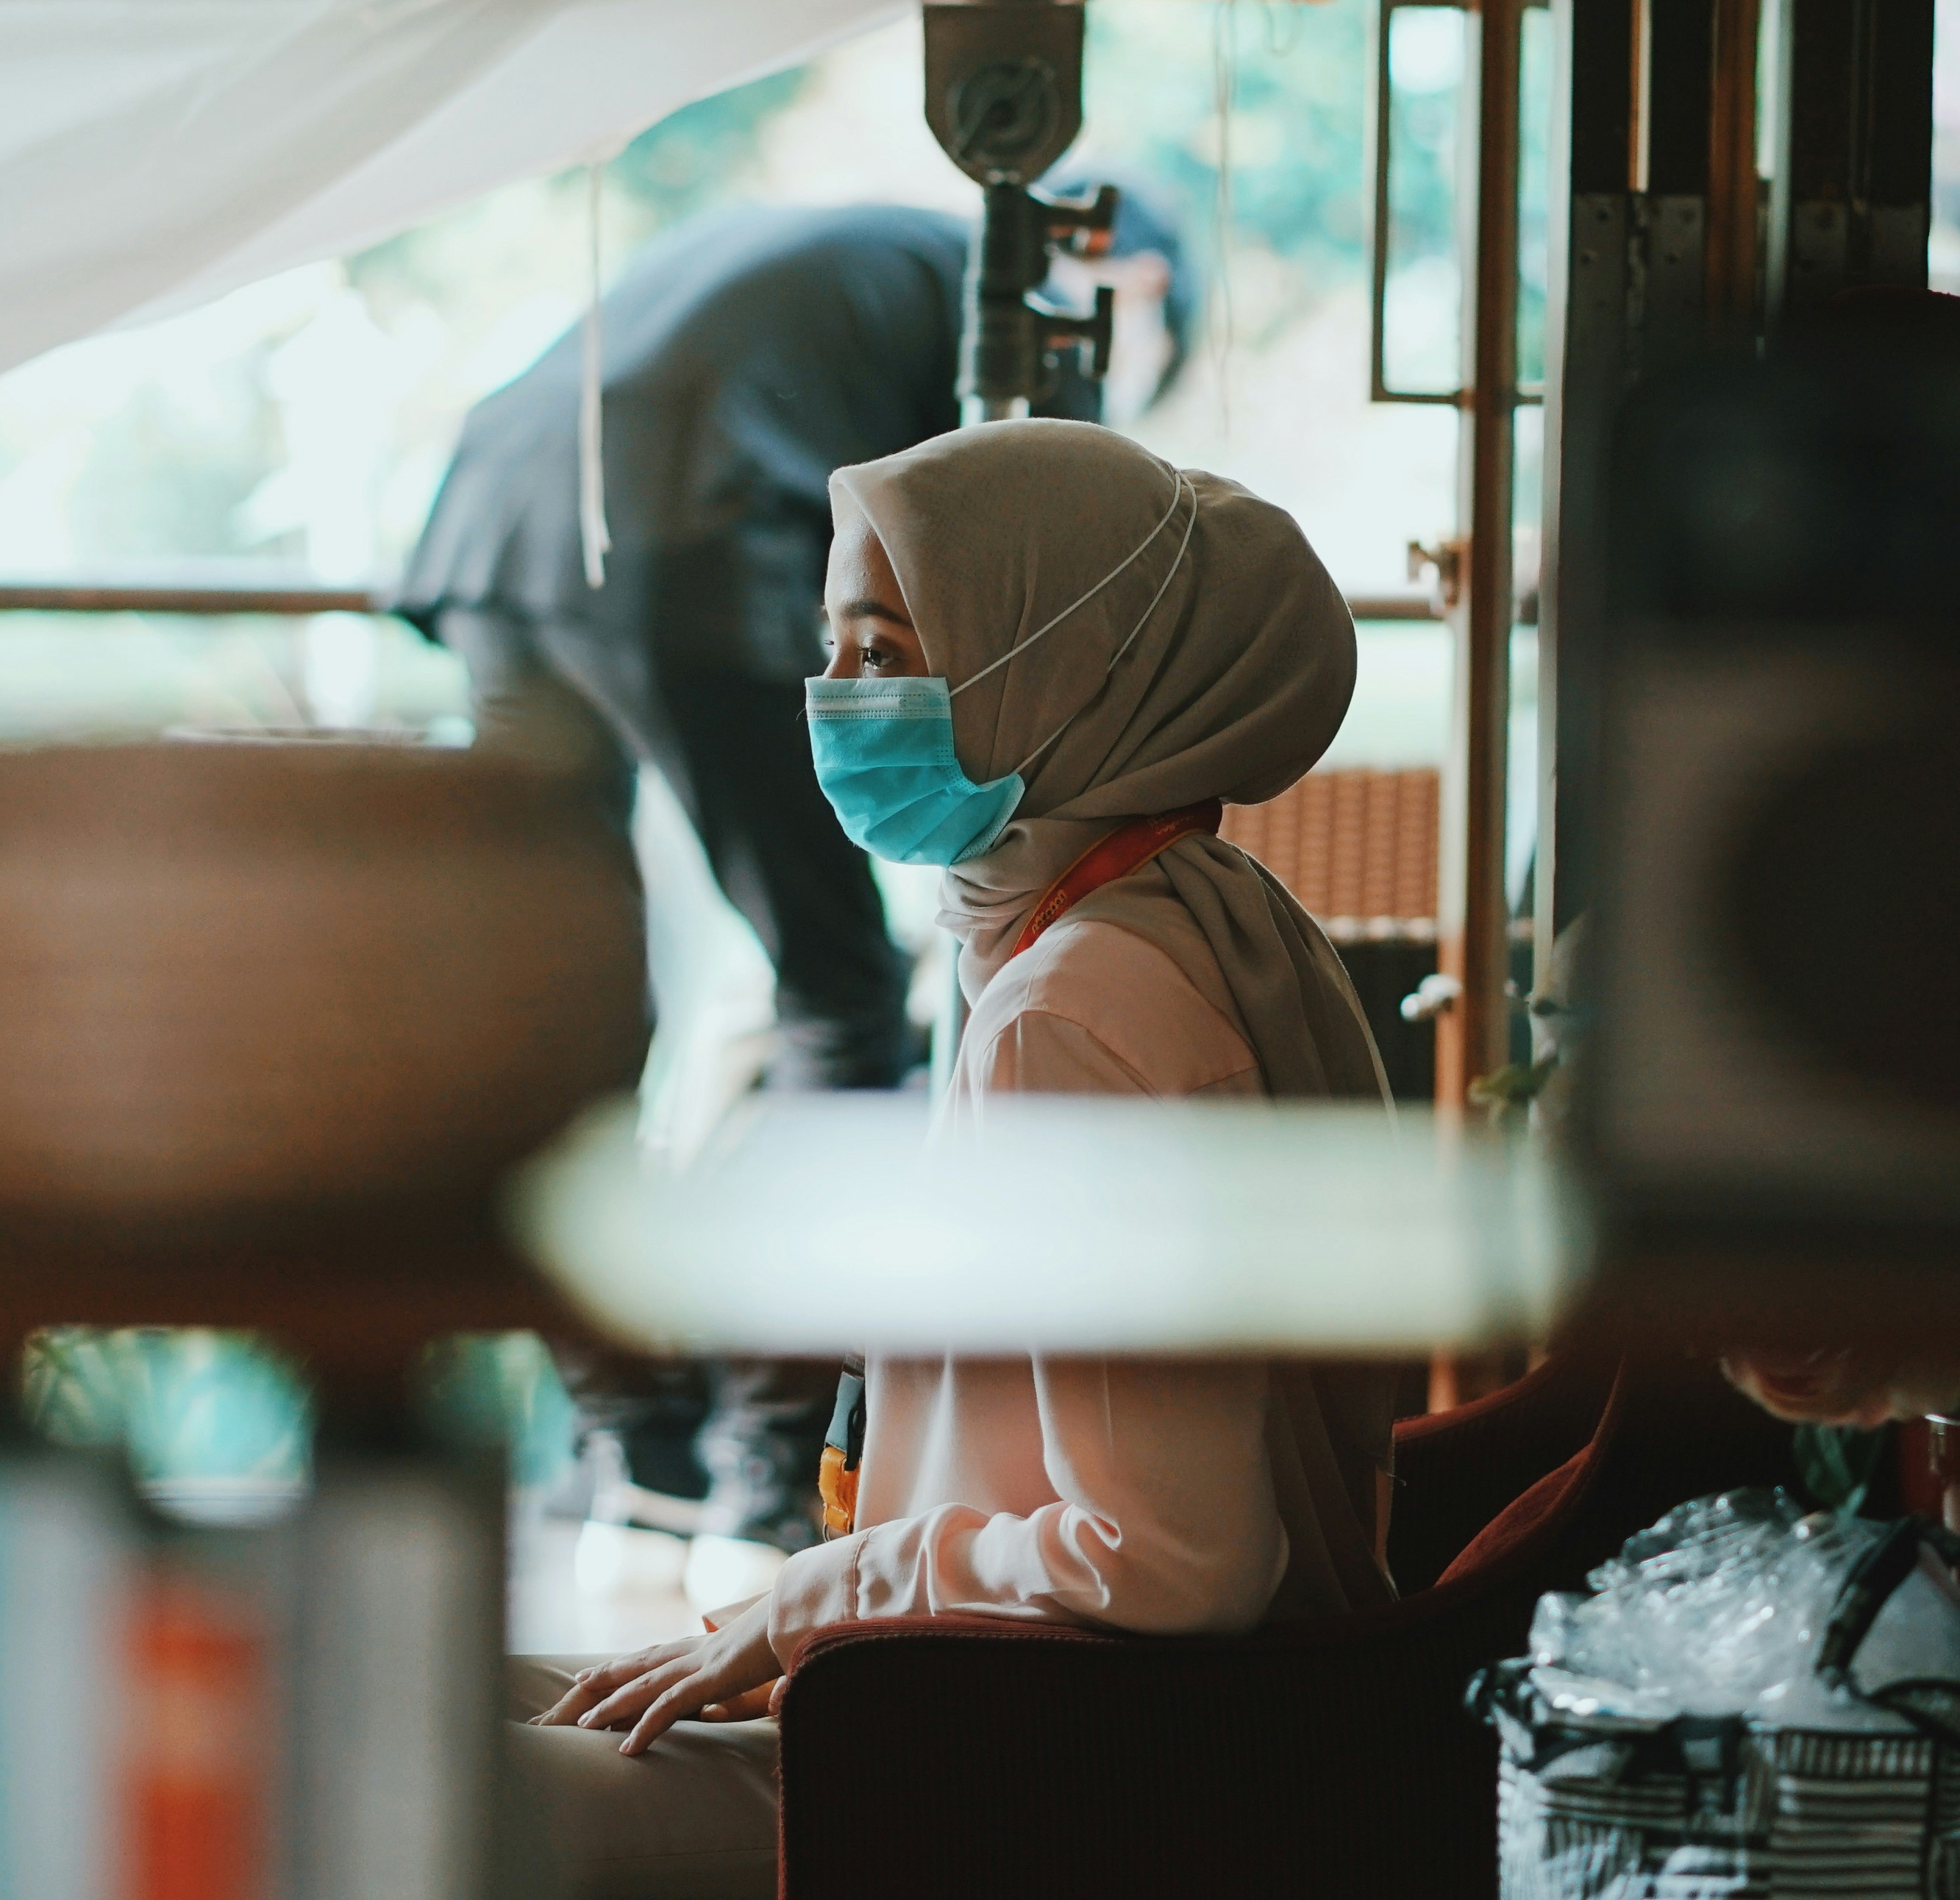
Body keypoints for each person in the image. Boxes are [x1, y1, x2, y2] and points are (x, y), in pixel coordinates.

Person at [508, 416, 1404, 1899]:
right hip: (1004, 1704)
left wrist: (818, 1590)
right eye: (833, 649)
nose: (834, 701)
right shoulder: (1188, 912)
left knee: (390, 1785)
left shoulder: (1074, 1012)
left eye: (886, 651)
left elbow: (1174, 1558)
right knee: (492, 1693)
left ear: (1058, 665)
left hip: (1036, 1768)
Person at [394, 190, 1183, 1579]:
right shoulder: (994, 294)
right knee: (841, 995)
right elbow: (1002, 559)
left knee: (568, 1016)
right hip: (686, 533)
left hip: (500, 540)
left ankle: (628, 1447)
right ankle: (768, 1475)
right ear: (1124, 274)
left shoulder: (863, 252)